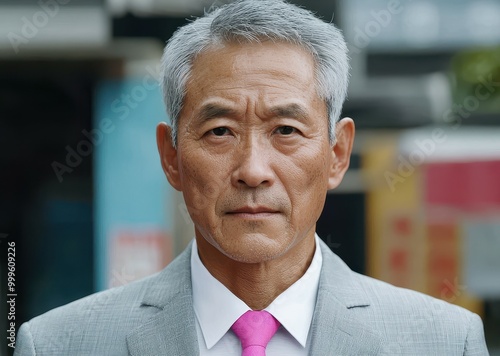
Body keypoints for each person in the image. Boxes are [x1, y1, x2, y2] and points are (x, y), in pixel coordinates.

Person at [15, 0, 489, 355]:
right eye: (219, 131)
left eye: (286, 130)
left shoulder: (442, 341)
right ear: (171, 157)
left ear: (337, 154)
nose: (253, 170)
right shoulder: (61, 344)